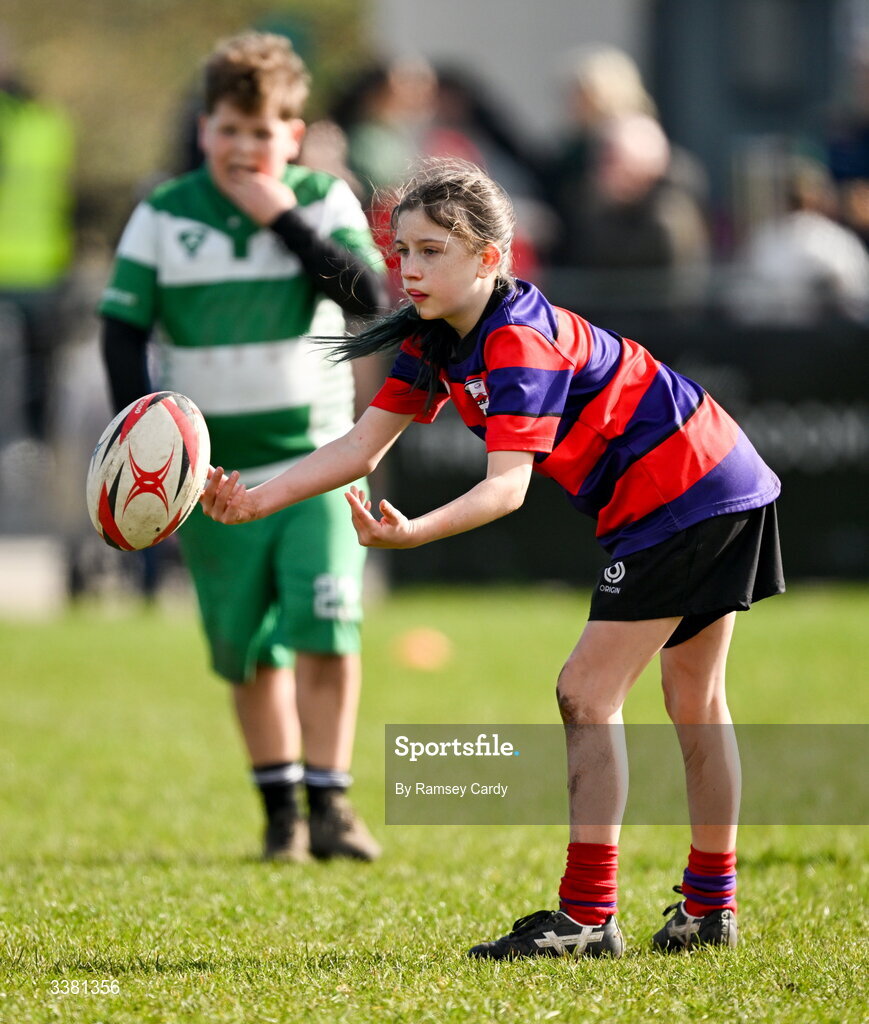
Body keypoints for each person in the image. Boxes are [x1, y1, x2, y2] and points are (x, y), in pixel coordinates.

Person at [200, 158, 784, 957]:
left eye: (432, 250)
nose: (409, 268)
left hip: (683, 488)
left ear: (488, 258)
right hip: (716, 473)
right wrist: (255, 498)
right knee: (692, 698)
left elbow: (504, 491)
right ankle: (707, 911)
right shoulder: (438, 337)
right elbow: (364, 445)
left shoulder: (516, 339)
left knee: (586, 693)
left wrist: (410, 535)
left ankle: (586, 919)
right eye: (402, 250)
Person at [99, 32, 387, 864]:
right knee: (245, 647)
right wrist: (139, 435)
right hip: (209, 476)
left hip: (316, 463)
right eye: (229, 129)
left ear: (294, 135)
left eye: (263, 132)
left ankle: (330, 804)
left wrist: (280, 218)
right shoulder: (163, 213)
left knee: (328, 626)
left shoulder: (320, 201)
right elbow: (122, 329)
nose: (244, 147)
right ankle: (280, 814)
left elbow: (368, 297)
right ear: (204, 130)